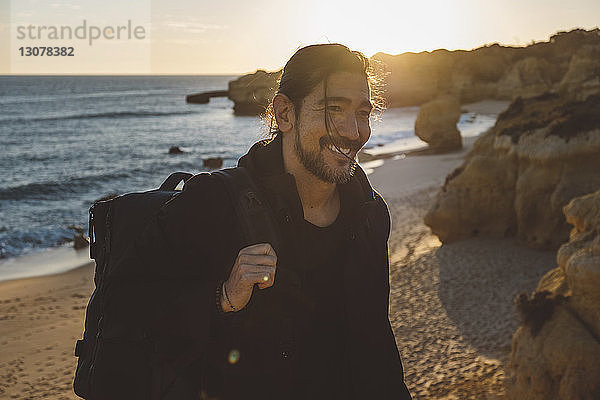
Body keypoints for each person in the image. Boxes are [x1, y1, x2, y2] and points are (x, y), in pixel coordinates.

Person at [136, 43, 412, 400]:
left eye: (363, 113)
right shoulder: (214, 203)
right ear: (284, 114)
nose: (353, 131)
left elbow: (376, 346)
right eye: (334, 109)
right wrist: (223, 297)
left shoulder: (370, 214)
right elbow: (138, 308)